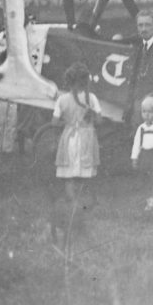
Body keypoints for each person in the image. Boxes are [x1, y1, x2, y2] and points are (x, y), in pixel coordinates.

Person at [53, 63, 101, 213]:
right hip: (86, 138)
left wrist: (68, 122)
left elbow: (54, 122)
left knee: (69, 174)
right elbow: (99, 120)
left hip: (69, 139)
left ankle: (73, 202)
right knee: (84, 171)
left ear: (68, 81)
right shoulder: (91, 98)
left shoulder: (62, 99)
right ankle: (84, 202)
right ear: (86, 82)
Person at [131, 95, 153, 211]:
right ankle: (147, 198)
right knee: (145, 176)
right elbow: (136, 144)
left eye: (150, 112)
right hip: (144, 156)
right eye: (144, 112)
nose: (147, 114)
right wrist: (134, 158)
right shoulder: (141, 128)